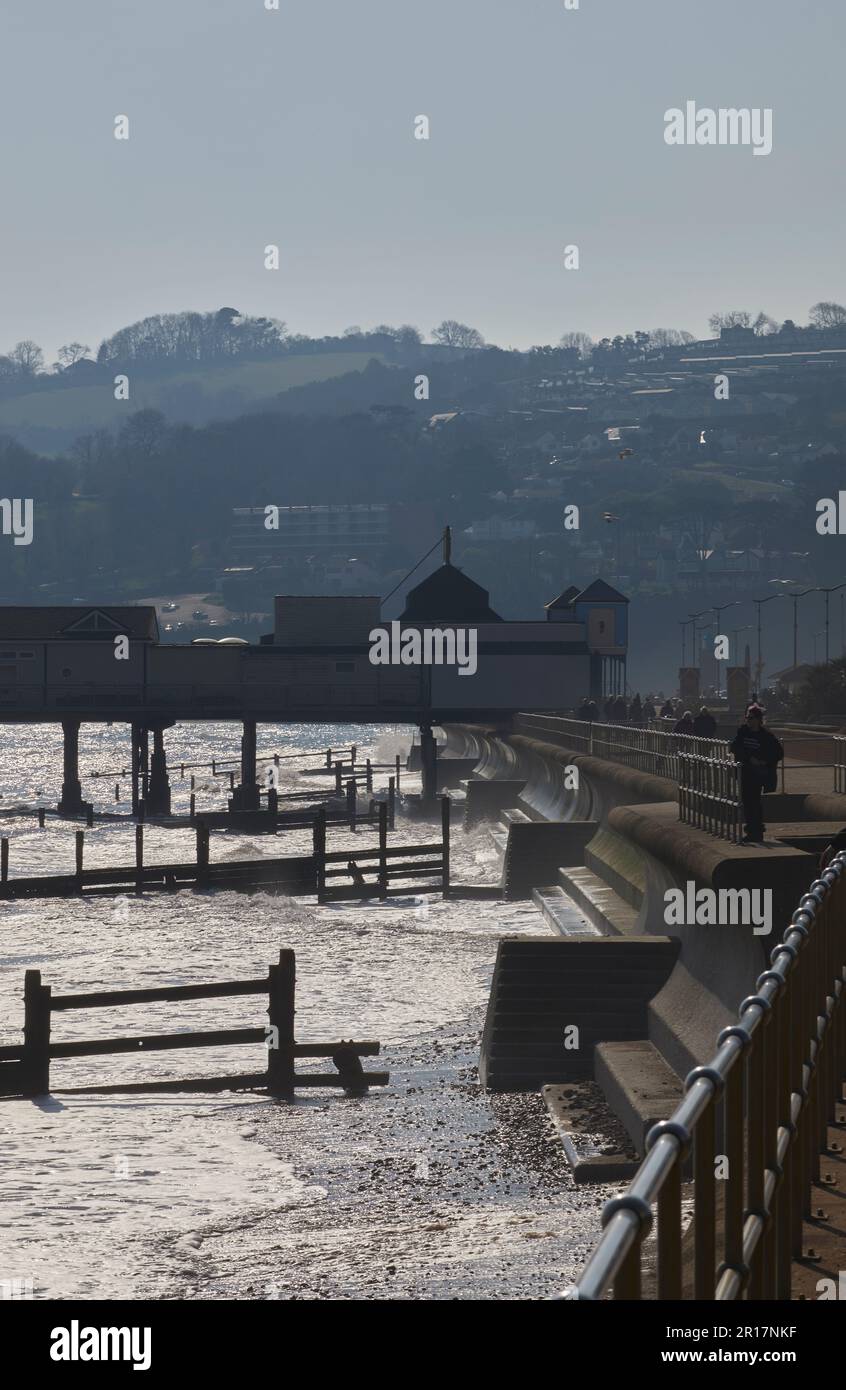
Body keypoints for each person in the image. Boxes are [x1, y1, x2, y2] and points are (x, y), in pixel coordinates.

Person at [730, 703, 783, 845]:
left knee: (755, 803)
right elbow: (734, 747)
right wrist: (749, 757)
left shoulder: (766, 736)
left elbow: (778, 753)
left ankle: (757, 832)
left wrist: (764, 761)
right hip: (745, 773)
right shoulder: (743, 732)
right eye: (747, 717)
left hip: (758, 775)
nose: (748, 720)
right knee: (747, 803)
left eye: (751, 718)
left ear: (758, 719)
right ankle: (751, 831)